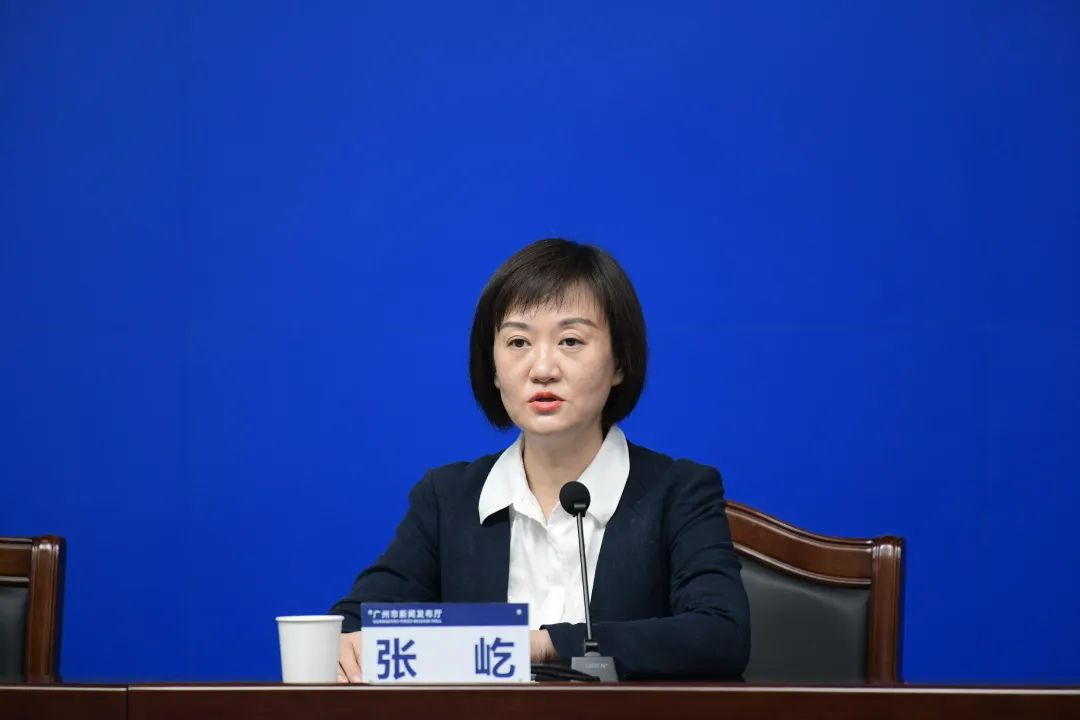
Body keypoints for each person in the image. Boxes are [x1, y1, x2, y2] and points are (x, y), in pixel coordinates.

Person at [331, 238, 750, 681]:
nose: (542, 369)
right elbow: (354, 623)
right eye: (518, 342)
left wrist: (544, 644)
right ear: (493, 369)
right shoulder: (447, 499)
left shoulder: (678, 493)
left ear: (620, 362)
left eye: (571, 341)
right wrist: (345, 644)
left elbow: (721, 635)